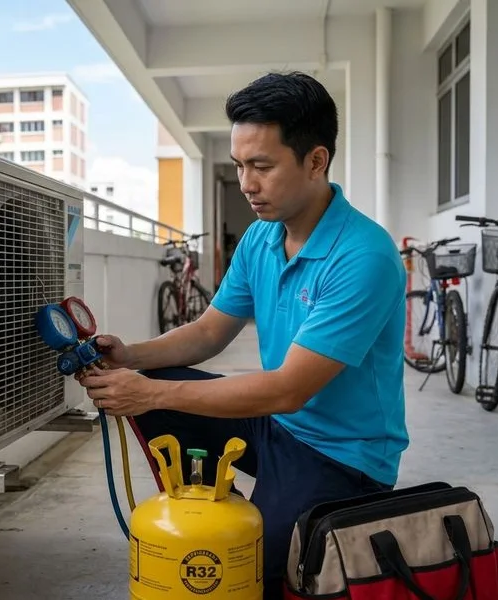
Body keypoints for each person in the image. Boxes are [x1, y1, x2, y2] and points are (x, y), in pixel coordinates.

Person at [78, 71, 409, 600]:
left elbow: (289, 389)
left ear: (316, 161)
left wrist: (151, 390)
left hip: (342, 457)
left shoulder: (363, 257)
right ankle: (206, 507)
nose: (247, 183)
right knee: (157, 383)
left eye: (262, 166)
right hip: (277, 427)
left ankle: (270, 522)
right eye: (238, 166)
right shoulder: (260, 238)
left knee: (250, 569)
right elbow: (210, 332)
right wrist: (131, 357)